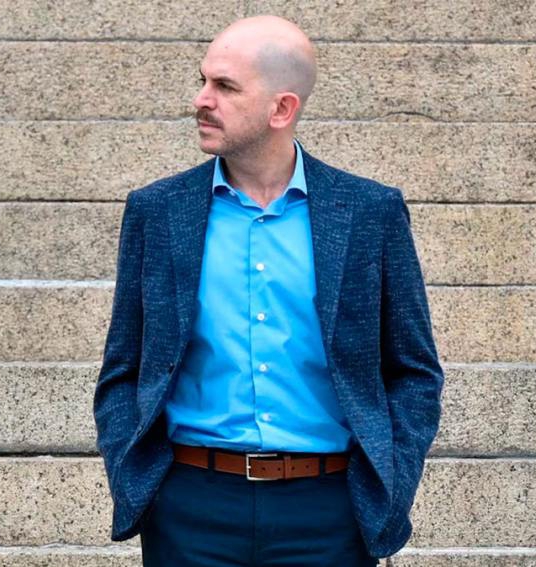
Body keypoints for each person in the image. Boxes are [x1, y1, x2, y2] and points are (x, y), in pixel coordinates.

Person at [94, 15, 444, 566]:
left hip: (330, 512)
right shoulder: (158, 211)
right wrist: (138, 482)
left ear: (282, 109)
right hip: (189, 507)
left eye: (225, 87)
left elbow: (414, 370)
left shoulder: (368, 213)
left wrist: (390, 486)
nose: (201, 99)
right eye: (203, 80)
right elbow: (124, 368)